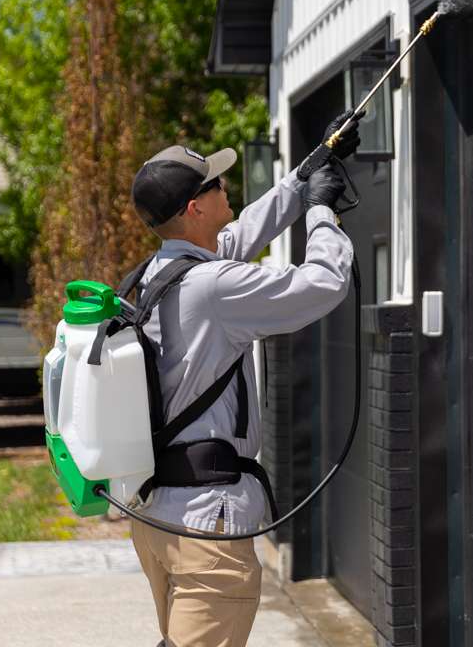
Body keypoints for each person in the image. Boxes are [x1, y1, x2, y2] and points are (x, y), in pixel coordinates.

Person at [125, 114, 358, 647]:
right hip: (208, 523)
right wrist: (323, 213)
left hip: (160, 515)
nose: (225, 187)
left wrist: (306, 175)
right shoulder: (211, 287)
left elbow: (237, 236)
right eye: (215, 183)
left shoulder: (158, 276)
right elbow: (322, 283)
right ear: (195, 207)